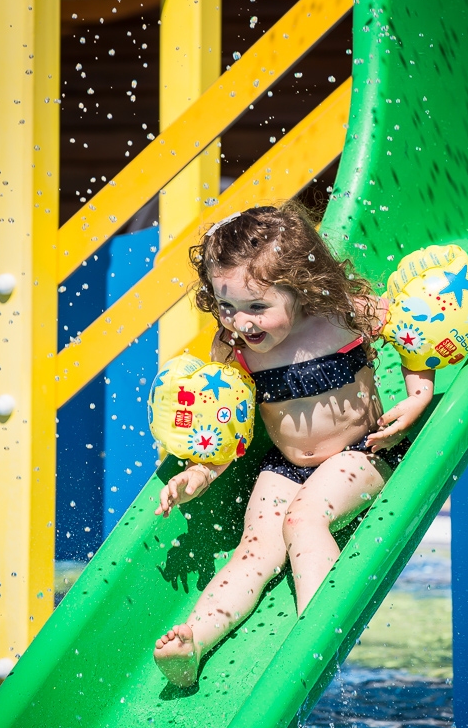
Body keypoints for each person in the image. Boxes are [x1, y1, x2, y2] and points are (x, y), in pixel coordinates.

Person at [153, 202, 434, 686]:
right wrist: (199, 472)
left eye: (257, 306)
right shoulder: (233, 348)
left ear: (300, 286)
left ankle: (315, 635)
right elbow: (227, 425)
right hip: (284, 467)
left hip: (364, 454)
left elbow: (415, 331)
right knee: (254, 550)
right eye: (227, 306)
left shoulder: (342, 316)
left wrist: (418, 395)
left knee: (304, 518)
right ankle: (195, 640)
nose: (241, 322)